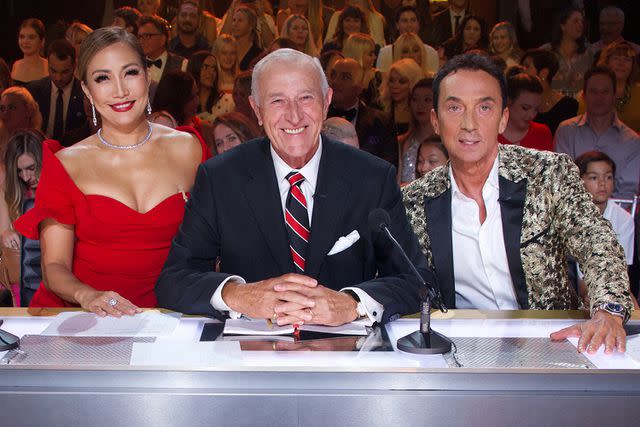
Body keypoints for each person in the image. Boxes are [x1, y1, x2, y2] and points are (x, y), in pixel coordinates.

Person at [156, 48, 426, 326]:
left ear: (326, 101)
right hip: (249, 357)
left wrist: (353, 303)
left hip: (347, 357)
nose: (294, 116)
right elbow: (174, 280)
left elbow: (417, 281)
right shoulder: (220, 178)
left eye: (305, 98)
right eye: (277, 101)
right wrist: (238, 294)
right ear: (257, 110)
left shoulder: (373, 177)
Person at [402, 53, 634, 355]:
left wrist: (608, 310)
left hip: (552, 344)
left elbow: (596, 242)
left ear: (503, 118)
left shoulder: (548, 173)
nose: (470, 124)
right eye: (455, 107)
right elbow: (398, 282)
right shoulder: (415, 201)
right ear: (435, 119)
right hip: (460, 352)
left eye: (484, 107)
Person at [13, 27, 209, 314]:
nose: (120, 90)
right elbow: (54, 266)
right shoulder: (66, 163)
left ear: (147, 75)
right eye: (102, 78)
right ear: (87, 91)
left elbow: (212, 246)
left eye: (130, 73)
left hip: (172, 317)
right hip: (84, 317)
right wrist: (88, 295)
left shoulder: (190, 148)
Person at [555, 66, 640, 199]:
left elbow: (627, 193)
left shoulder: (633, 140)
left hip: (615, 215)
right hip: (572, 212)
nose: (599, 97)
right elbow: (562, 179)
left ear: (614, 95)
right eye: (593, 91)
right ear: (583, 95)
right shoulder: (566, 131)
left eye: (605, 92)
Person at [574, 151, 638, 309]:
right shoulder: (570, 214)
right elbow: (574, 273)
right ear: (579, 180)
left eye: (608, 177)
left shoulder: (624, 219)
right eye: (594, 178)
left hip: (611, 283)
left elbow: (623, 271)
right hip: (573, 283)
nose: (602, 183)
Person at [2, 129, 47, 306]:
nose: (26, 177)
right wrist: (6, 233)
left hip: (59, 279)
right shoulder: (12, 191)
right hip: (22, 282)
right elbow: (4, 231)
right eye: (19, 171)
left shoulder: (62, 189)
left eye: (31, 168)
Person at [327, 57, 396, 166]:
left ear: (359, 87)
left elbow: (387, 165)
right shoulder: (316, 117)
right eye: (333, 75)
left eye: (345, 77)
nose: (335, 81)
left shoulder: (380, 122)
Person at [26, 39, 87, 141]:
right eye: (53, 71)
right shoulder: (33, 91)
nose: (58, 78)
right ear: (47, 64)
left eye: (65, 72)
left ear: (74, 66)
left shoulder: (85, 94)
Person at [583, 40, 640, 133]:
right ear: (606, 62)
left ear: (633, 65)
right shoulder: (590, 92)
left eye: (627, 59)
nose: (621, 63)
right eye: (616, 58)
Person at [520, 48, 578, 135]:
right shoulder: (518, 104)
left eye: (527, 66)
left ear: (544, 73)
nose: (522, 71)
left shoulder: (567, 106)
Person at [153, 70, 214, 150]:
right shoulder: (162, 121)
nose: (197, 102)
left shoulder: (195, 124)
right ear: (178, 99)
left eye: (197, 94)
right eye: (191, 97)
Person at [540, 7, 593, 99]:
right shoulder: (547, 51)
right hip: (552, 103)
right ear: (562, 26)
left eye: (582, 22)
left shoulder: (588, 52)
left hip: (579, 104)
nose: (580, 25)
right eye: (576, 21)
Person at [498, 70, 552, 151]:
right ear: (508, 101)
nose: (532, 115)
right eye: (525, 108)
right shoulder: (490, 133)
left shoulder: (542, 133)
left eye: (536, 109)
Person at [376, 6, 438, 74]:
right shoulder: (385, 53)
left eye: (413, 20)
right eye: (404, 21)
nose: (409, 25)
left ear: (418, 24)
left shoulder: (431, 52)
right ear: (397, 25)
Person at [398, 77, 436, 184]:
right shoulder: (402, 142)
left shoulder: (446, 142)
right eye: (415, 99)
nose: (420, 105)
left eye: (427, 100)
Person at [379, 58, 424, 140]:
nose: (395, 86)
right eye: (391, 80)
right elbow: (372, 140)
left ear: (413, 83)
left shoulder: (422, 110)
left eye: (402, 82)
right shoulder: (378, 107)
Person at [138, 15, 187, 86]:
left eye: (147, 36)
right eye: (140, 37)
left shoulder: (182, 64)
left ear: (163, 38)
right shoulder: (135, 64)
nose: (141, 41)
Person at [187, 51, 231, 122]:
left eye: (214, 68)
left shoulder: (227, 102)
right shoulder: (186, 103)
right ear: (195, 68)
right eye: (206, 67)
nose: (211, 72)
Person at [342, 32, 382, 109]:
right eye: (370, 54)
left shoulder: (377, 77)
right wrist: (365, 82)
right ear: (358, 55)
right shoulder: (343, 78)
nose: (375, 57)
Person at [0, 87, 43, 153]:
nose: (5, 113)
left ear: (29, 111)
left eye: (12, 107)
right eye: (2, 108)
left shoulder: (41, 145)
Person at [11, 19, 48, 85]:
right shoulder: (15, 65)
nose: (25, 41)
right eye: (22, 37)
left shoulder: (49, 67)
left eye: (31, 37)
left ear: (42, 41)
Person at [230, 5, 264, 71]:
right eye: (234, 20)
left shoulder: (257, 54)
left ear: (250, 26)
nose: (235, 24)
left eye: (240, 20)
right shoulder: (227, 48)